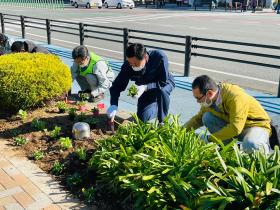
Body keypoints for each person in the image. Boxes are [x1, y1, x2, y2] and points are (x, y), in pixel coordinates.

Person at [183, 75, 271, 154]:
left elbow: (235, 128)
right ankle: (228, 151)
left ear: (209, 93)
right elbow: (198, 119)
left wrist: (209, 139)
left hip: (256, 126)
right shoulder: (210, 100)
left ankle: (264, 149)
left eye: (198, 98)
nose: (197, 101)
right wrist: (181, 131)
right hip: (236, 127)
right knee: (207, 117)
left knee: (251, 144)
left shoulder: (235, 97)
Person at [107, 43, 175, 123]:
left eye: (136, 64)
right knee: (142, 118)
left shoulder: (159, 57)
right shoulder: (127, 66)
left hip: (164, 83)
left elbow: (163, 82)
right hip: (145, 90)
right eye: (130, 63)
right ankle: (158, 106)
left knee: (162, 91)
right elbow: (117, 86)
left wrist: (146, 87)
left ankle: (162, 121)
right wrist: (114, 105)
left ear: (145, 57)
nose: (133, 66)